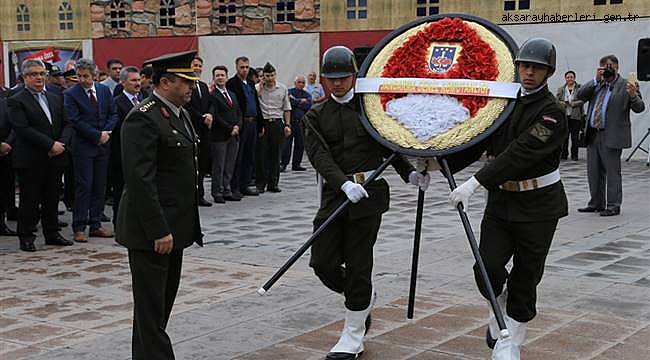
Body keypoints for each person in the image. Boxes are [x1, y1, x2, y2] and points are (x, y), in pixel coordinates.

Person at [303, 46, 427, 360]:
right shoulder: (316, 115)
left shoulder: (371, 110)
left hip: (368, 197)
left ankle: (353, 335)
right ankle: (363, 296)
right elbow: (319, 156)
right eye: (332, 79)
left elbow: (390, 148)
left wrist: (409, 175)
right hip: (336, 194)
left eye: (343, 78)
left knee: (359, 265)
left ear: (354, 75)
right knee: (322, 263)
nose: (337, 84)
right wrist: (343, 183)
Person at [448, 38, 568, 360]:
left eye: (537, 68)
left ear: (548, 72)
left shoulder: (553, 115)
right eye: (524, 66)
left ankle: (509, 341)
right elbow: (475, 141)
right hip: (502, 203)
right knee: (486, 268)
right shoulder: (503, 103)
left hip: (539, 205)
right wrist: (431, 162)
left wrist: (474, 183)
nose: (529, 73)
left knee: (526, 275)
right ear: (516, 67)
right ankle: (497, 302)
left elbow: (521, 153)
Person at [116, 50, 204, 360]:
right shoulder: (143, 117)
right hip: (152, 233)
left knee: (158, 308)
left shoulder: (179, 113)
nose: (192, 87)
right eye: (186, 81)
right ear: (165, 82)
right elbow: (140, 180)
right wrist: (158, 229)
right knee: (152, 310)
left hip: (174, 228)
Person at [7, 59, 74, 251]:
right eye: (33, 74)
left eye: (41, 73)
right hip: (31, 158)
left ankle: (52, 233)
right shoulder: (16, 99)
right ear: (25, 77)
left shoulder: (55, 96)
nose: (39, 77)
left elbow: (68, 122)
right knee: (30, 200)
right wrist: (49, 144)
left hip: (56, 156)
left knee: (52, 198)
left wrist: (61, 144)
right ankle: (26, 236)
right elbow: (22, 128)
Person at [576, 55, 645, 217]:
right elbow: (579, 95)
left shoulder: (626, 85)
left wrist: (633, 95)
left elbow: (640, 108)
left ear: (617, 67)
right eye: (604, 66)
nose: (608, 69)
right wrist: (595, 79)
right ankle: (596, 203)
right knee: (593, 171)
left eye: (610, 66)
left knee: (612, 172)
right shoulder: (597, 85)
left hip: (612, 134)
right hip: (593, 134)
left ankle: (613, 205)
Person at [64, 58, 117, 243]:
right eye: (79, 76)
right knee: (84, 186)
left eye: (86, 76)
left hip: (103, 146)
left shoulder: (103, 90)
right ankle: (79, 227)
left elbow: (113, 113)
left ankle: (96, 224)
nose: (82, 80)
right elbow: (75, 120)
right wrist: (96, 135)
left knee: (99, 186)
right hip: (84, 147)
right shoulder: (71, 94)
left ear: (94, 75)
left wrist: (106, 132)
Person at [226, 56, 263, 197]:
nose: (245, 70)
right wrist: (236, 124)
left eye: (247, 67)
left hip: (253, 122)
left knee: (249, 155)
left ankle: (245, 184)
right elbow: (233, 107)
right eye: (242, 67)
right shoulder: (232, 84)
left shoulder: (250, 84)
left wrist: (260, 124)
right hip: (241, 123)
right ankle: (234, 187)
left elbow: (256, 104)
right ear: (236, 67)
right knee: (238, 156)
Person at [110, 66, 143, 229]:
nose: (137, 83)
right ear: (123, 83)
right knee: (121, 193)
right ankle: (119, 224)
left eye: (139, 80)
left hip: (141, 155)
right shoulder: (117, 102)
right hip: (122, 155)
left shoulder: (144, 100)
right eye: (133, 80)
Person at [255, 62, 292, 193]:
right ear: (263, 76)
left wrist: (287, 125)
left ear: (275, 75)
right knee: (262, 154)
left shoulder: (282, 88)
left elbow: (287, 108)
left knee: (276, 154)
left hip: (277, 122)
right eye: (267, 75)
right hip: (263, 123)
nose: (270, 78)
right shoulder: (258, 88)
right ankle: (261, 183)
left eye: (272, 75)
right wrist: (260, 84)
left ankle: (273, 182)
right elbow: (255, 98)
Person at [210, 65, 242, 203]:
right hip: (220, 136)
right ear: (214, 78)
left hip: (234, 135)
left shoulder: (232, 94)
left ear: (227, 77)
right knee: (219, 165)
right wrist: (229, 128)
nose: (220, 78)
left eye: (222, 75)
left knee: (229, 164)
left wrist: (237, 126)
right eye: (217, 75)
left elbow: (239, 112)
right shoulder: (213, 96)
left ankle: (227, 189)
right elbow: (215, 116)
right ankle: (217, 192)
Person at [187, 56, 214, 207]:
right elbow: (187, 106)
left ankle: (201, 194)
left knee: (203, 163)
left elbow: (210, 103)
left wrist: (210, 114)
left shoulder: (203, 86)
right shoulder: (186, 84)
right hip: (193, 126)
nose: (197, 68)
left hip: (205, 129)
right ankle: (191, 195)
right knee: (192, 164)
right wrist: (202, 117)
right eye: (195, 65)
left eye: (199, 66)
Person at [282, 75, 311, 172]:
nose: (301, 84)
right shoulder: (289, 92)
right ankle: (284, 164)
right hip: (290, 122)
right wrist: (300, 102)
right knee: (286, 144)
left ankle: (296, 164)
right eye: (299, 82)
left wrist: (296, 101)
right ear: (295, 83)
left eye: (303, 82)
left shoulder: (307, 94)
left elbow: (308, 104)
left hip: (301, 123)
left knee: (300, 144)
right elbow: (289, 102)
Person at [556, 71, 584, 160]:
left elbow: (583, 100)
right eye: (568, 77)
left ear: (574, 78)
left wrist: (574, 104)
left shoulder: (580, 88)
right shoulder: (561, 89)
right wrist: (562, 103)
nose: (569, 79)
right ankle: (564, 154)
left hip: (575, 116)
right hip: (564, 116)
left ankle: (574, 155)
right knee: (565, 137)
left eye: (571, 77)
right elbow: (556, 101)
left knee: (575, 137)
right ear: (565, 79)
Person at [0, 96, 17, 236]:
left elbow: (14, 125)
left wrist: (7, 144)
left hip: (5, 152)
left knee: (4, 189)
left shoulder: (5, 100)